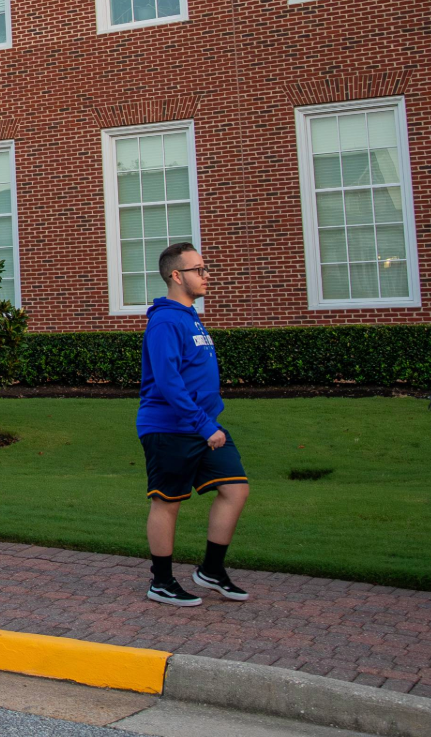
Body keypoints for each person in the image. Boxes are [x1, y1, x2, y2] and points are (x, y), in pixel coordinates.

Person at [137, 243, 247, 606]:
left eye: (204, 268)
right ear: (176, 275)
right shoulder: (165, 320)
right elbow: (169, 382)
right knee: (167, 502)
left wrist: (209, 418)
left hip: (203, 424)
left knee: (235, 488)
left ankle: (212, 570)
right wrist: (203, 424)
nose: (206, 275)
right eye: (199, 269)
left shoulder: (189, 317)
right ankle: (161, 581)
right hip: (170, 427)